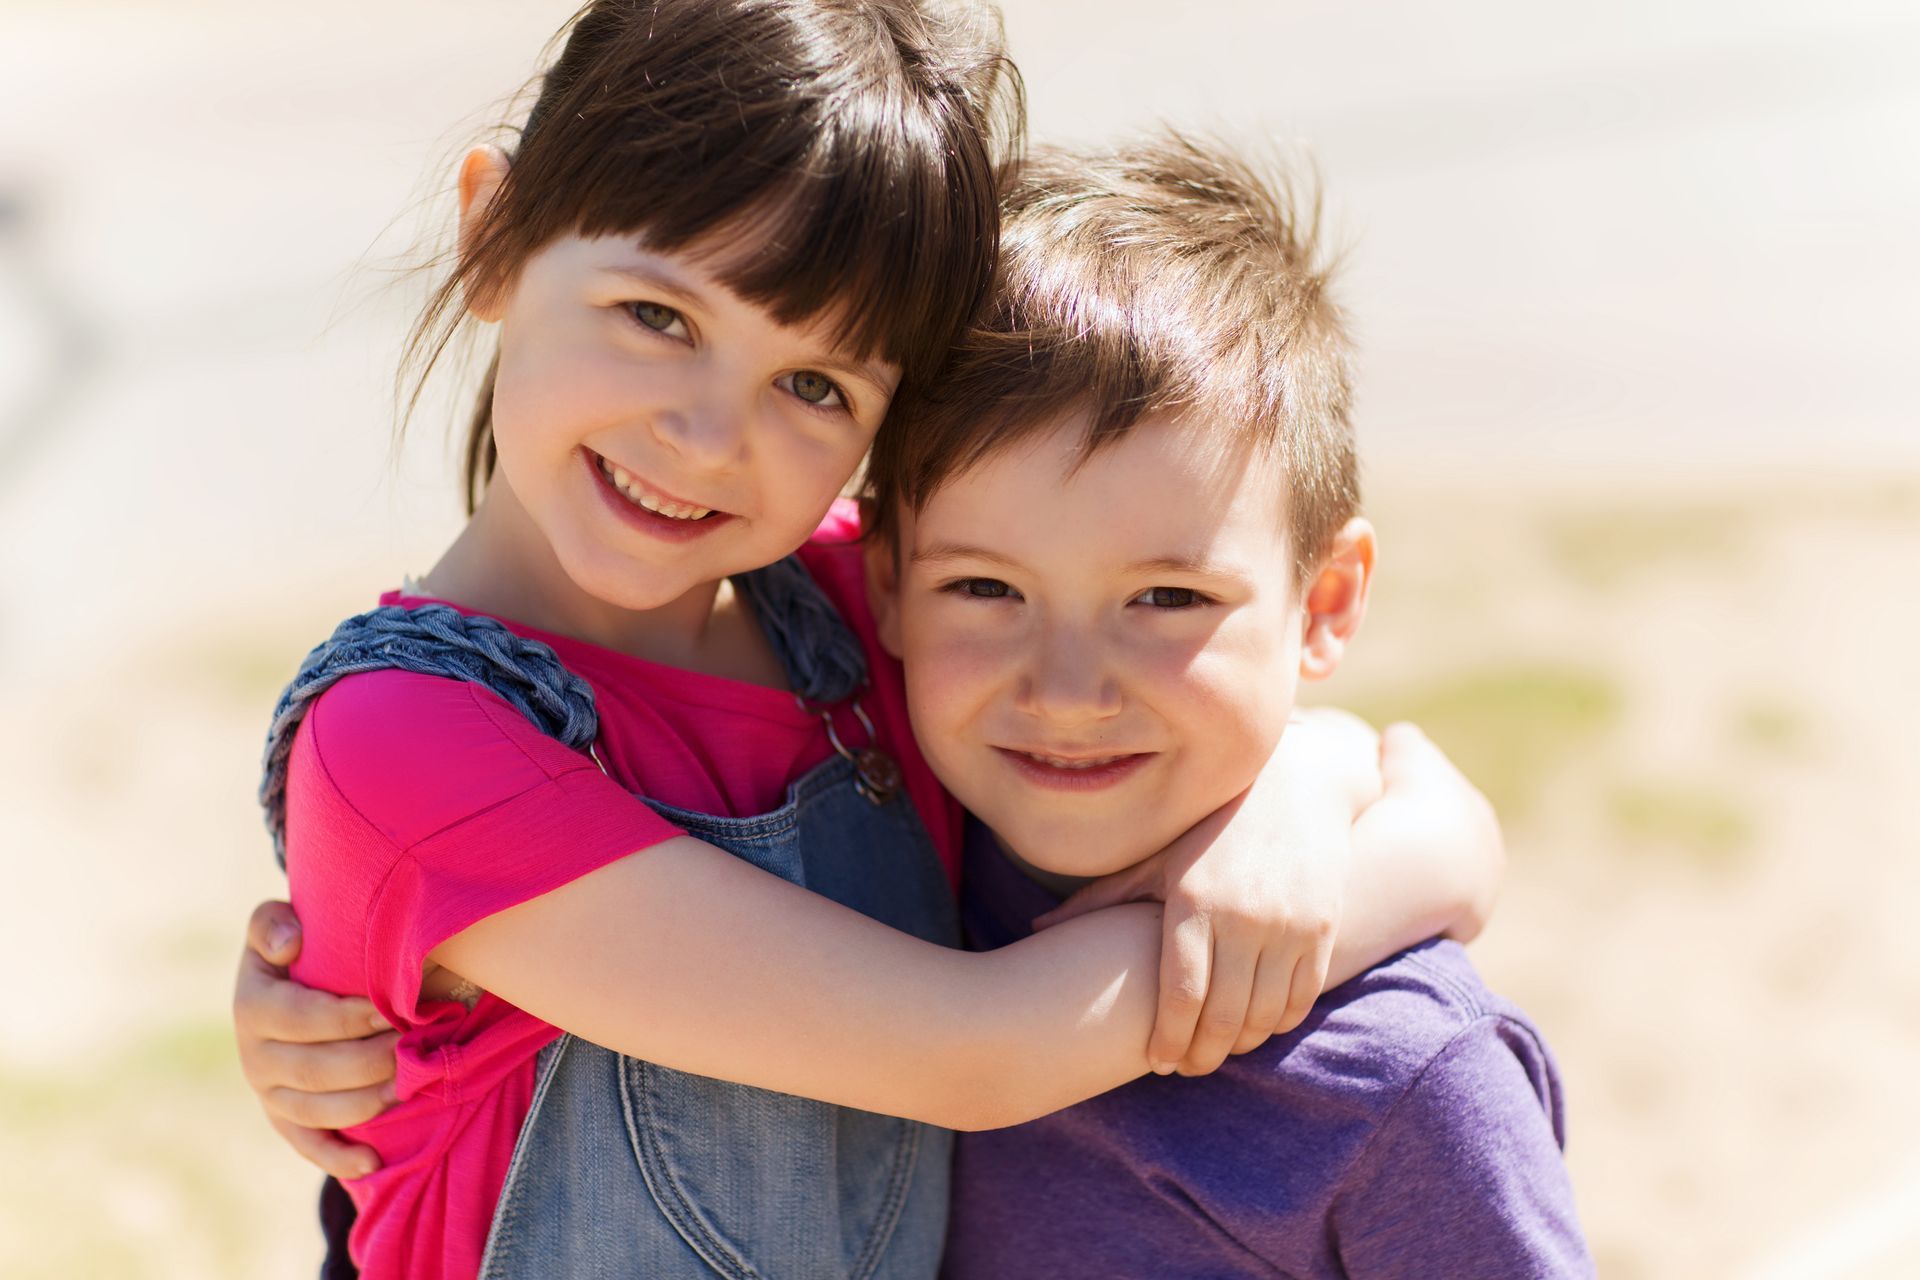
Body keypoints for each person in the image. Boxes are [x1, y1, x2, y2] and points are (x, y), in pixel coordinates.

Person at [233, 3, 1507, 1276]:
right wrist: (1301, 920)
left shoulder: (868, 603)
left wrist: (1298, 792)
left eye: (814, 386)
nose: (709, 436)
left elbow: (1446, 817)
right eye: (658, 315)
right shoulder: (400, 744)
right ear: (495, 235)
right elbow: (970, 1050)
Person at [856, 134, 1592, 1276]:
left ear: (1325, 601)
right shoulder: (870, 874)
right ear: (887, 581)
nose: (1065, 689)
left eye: (1165, 596)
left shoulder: (1404, 1082)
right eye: (985, 587)